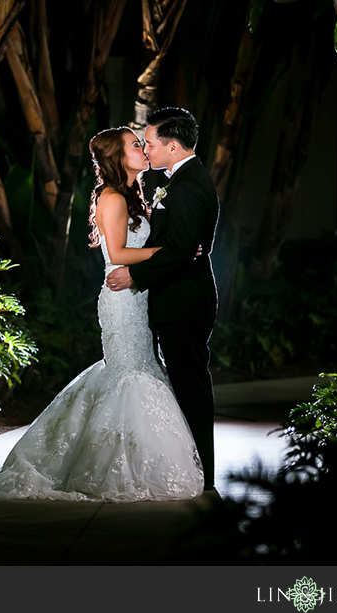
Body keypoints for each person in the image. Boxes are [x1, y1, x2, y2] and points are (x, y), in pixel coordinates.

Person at [0, 126, 203, 502]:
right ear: (117, 157)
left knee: (136, 369)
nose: (143, 149)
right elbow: (118, 254)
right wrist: (168, 252)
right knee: (128, 374)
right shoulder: (113, 198)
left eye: (143, 144)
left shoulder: (132, 194)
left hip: (137, 297)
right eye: (135, 145)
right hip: (122, 298)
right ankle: (111, 466)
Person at [106, 107, 219, 492]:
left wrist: (135, 274)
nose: (147, 149)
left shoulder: (187, 186)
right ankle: (192, 469)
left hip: (185, 301)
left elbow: (179, 250)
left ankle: (202, 474)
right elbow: (173, 247)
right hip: (175, 298)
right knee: (184, 384)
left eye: (150, 143)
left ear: (172, 146)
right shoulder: (178, 180)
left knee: (190, 386)